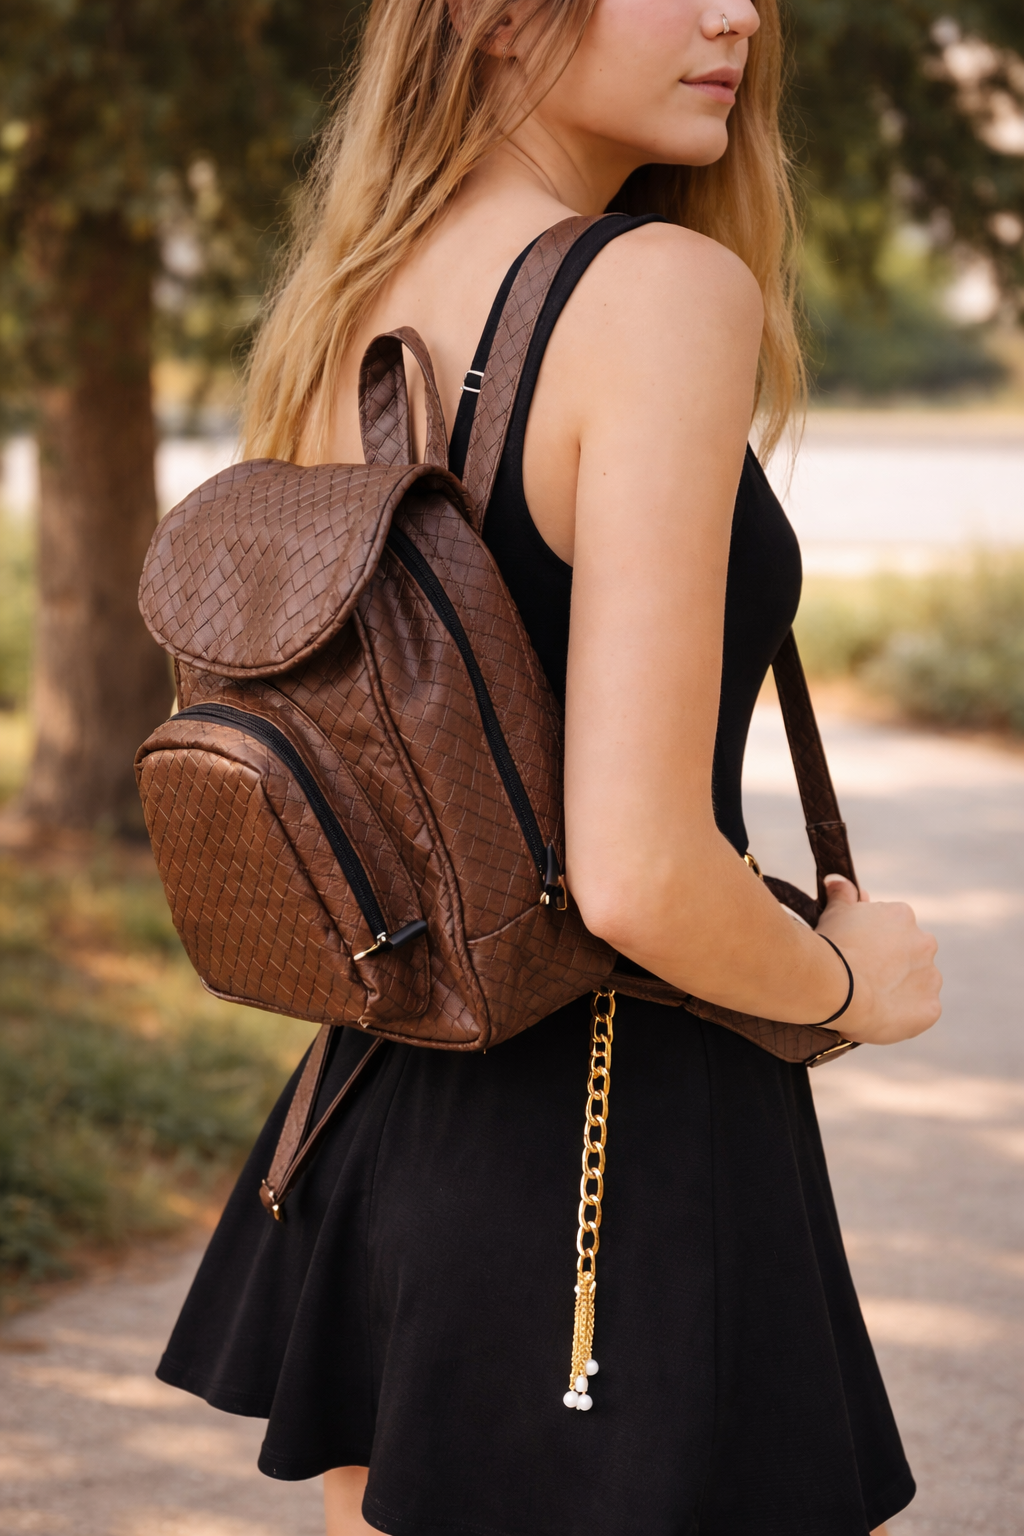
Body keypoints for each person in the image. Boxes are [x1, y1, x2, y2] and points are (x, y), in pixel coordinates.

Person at [155, 1, 943, 1532]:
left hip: (391, 1109)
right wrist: (852, 986)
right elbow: (638, 873)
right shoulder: (656, 295)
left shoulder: (354, 301)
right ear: (492, 12)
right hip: (619, 1143)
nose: (742, 17)